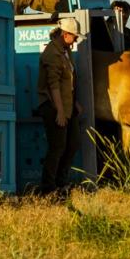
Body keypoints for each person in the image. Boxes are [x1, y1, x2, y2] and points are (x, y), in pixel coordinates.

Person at [37, 18, 84, 196]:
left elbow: (67, 82)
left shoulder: (65, 51)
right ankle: (48, 189)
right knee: (57, 146)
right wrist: (60, 112)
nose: (76, 40)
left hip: (66, 105)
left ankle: (61, 183)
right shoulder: (52, 54)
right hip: (53, 106)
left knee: (73, 143)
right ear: (65, 35)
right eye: (75, 37)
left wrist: (74, 102)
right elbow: (53, 85)